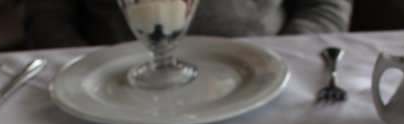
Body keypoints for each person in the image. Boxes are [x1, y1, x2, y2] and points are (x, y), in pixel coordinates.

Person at [24, 0, 353, 49]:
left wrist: (284, 55)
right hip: (110, 88)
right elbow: (45, 14)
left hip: (261, 74)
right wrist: (88, 70)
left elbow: (325, 5)